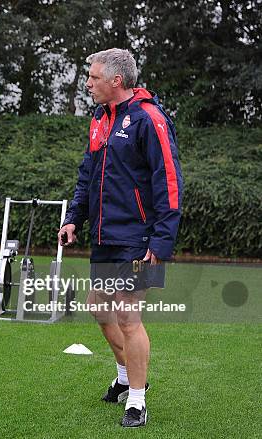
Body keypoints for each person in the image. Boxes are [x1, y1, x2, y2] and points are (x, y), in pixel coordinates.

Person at [58, 48, 183, 427]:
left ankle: (137, 401)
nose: (89, 84)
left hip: (138, 236)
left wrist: (160, 242)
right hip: (104, 233)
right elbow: (87, 174)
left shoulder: (150, 119)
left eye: (94, 77)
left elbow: (170, 183)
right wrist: (73, 218)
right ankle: (125, 377)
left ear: (116, 80)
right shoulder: (99, 118)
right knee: (99, 305)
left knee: (128, 315)